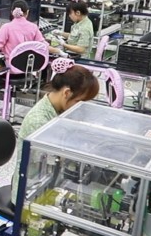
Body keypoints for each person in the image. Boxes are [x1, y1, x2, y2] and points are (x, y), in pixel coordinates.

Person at [13, 59, 99, 193]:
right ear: (66, 93)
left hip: (52, 181)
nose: (81, 107)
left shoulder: (60, 108)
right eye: (79, 101)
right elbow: (55, 160)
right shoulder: (39, 121)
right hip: (30, 191)